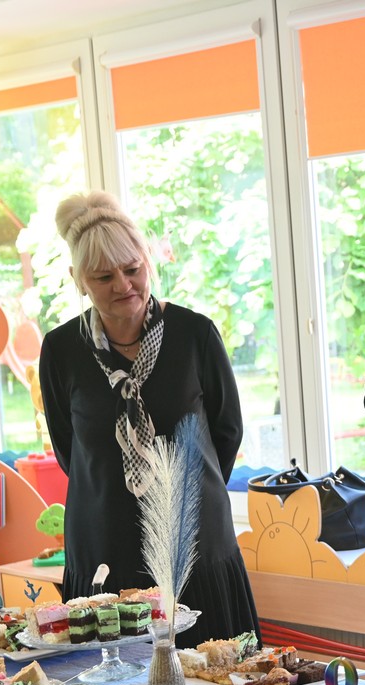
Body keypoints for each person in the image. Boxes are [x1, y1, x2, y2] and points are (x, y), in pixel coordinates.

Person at [39, 190, 260, 647]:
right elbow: (69, 448)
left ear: (147, 263)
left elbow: (227, 431)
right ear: (79, 281)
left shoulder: (194, 334)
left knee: (216, 674)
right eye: (104, 276)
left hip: (193, 542)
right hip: (104, 547)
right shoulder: (61, 350)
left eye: (132, 269)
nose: (123, 285)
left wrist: (186, 491)